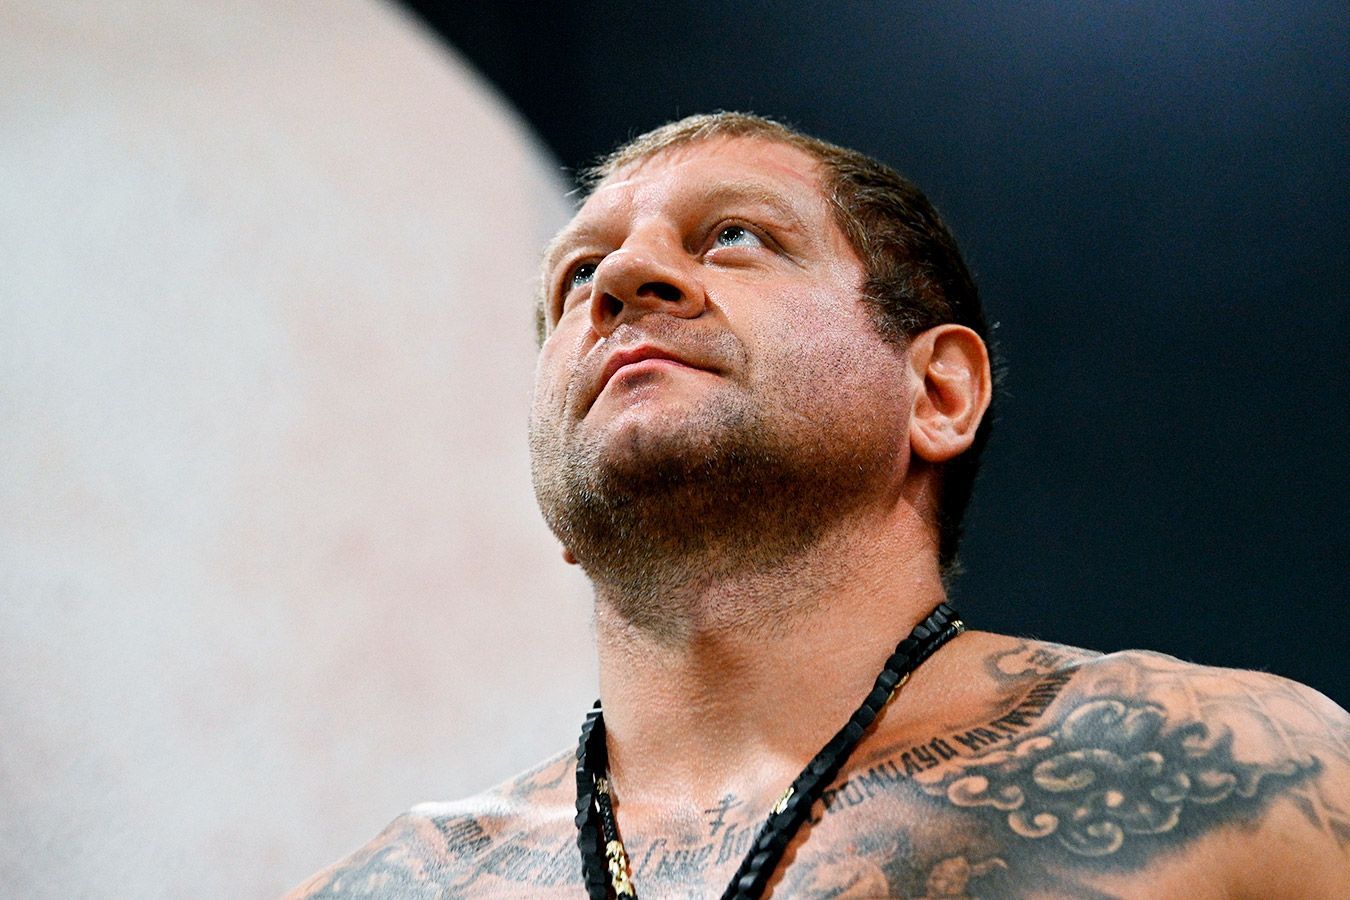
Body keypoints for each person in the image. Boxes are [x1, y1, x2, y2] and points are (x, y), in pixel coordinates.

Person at [287, 113, 1349, 898]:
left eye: (733, 237)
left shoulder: (1239, 771)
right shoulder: (390, 886)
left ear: (937, 393)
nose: (624, 278)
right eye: (578, 277)